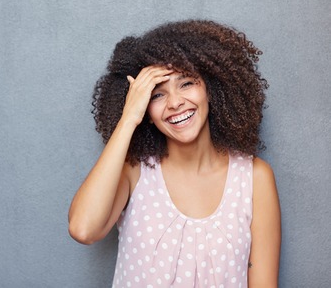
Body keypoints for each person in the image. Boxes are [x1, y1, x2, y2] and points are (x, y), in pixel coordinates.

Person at [68, 19, 281, 288]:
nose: (175, 102)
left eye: (187, 83)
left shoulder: (254, 178)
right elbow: (83, 228)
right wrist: (128, 119)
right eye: (157, 95)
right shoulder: (134, 171)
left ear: (212, 89)